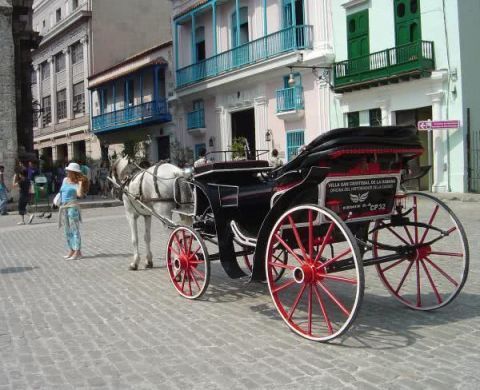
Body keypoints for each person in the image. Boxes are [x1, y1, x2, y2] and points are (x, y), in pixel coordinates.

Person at [58, 162, 87, 260]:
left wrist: (81, 184)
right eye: (67, 170)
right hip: (64, 207)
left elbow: (79, 195)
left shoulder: (77, 183)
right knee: (67, 230)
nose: (67, 172)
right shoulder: (65, 180)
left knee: (75, 230)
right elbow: (61, 192)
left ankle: (78, 252)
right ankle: (71, 250)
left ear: (74, 172)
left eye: (69, 171)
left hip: (72, 207)